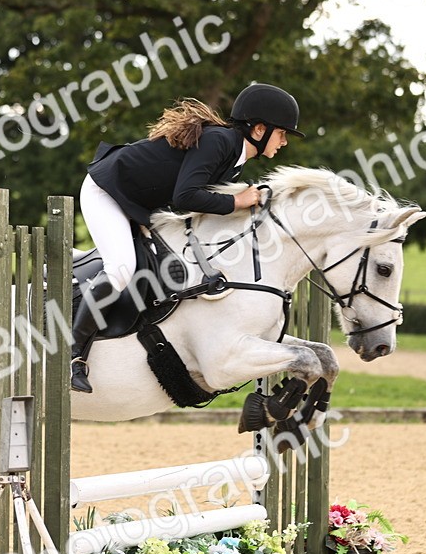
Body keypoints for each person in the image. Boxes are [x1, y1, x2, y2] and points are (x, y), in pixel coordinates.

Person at [72, 82, 305, 392]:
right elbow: (185, 197)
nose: (284, 141)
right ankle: (72, 355)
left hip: (140, 203)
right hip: (107, 191)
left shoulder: (234, 159)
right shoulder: (219, 142)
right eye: (282, 133)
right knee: (122, 267)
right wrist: (237, 202)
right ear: (260, 129)